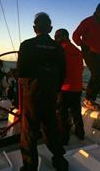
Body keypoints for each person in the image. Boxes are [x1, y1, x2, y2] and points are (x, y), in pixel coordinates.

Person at [17, 12, 67, 171]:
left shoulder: (26, 45)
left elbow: (21, 72)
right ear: (50, 28)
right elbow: (63, 73)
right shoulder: (58, 47)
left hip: (32, 95)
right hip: (50, 94)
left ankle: (30, 167)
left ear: (34, 28)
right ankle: (60, 162)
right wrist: (55, 89)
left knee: (29, 133)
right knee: (51, 129)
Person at [55, 28, 85, 145]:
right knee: (76, 111)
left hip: (64, 88)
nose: (55, 39)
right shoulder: (77, 51)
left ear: (61, 37)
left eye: (56, 37)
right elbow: (81, 69)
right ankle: (80, 133)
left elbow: (57, 69)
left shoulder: (60, 50)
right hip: (77, 87)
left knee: (62, 113)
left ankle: (64, 138)